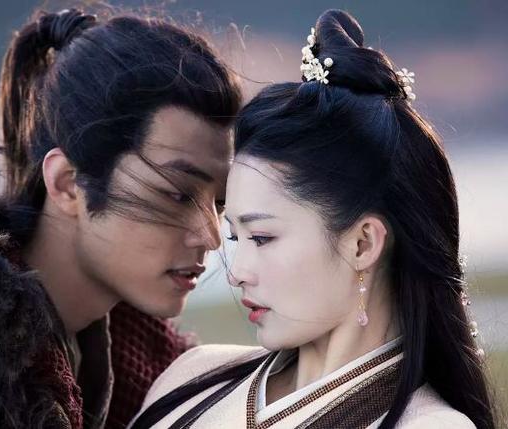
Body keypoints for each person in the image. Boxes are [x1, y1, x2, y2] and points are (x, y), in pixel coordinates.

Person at [0, 7, 241, 428]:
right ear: (67, 183)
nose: (210, 236)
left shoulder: (152, 374)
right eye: (177, 195)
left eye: (220, 203)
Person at [130, 9, 496, 429]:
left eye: (262, 237)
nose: (236, 274)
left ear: (363, 243)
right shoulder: (190, 377)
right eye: (235, 238)